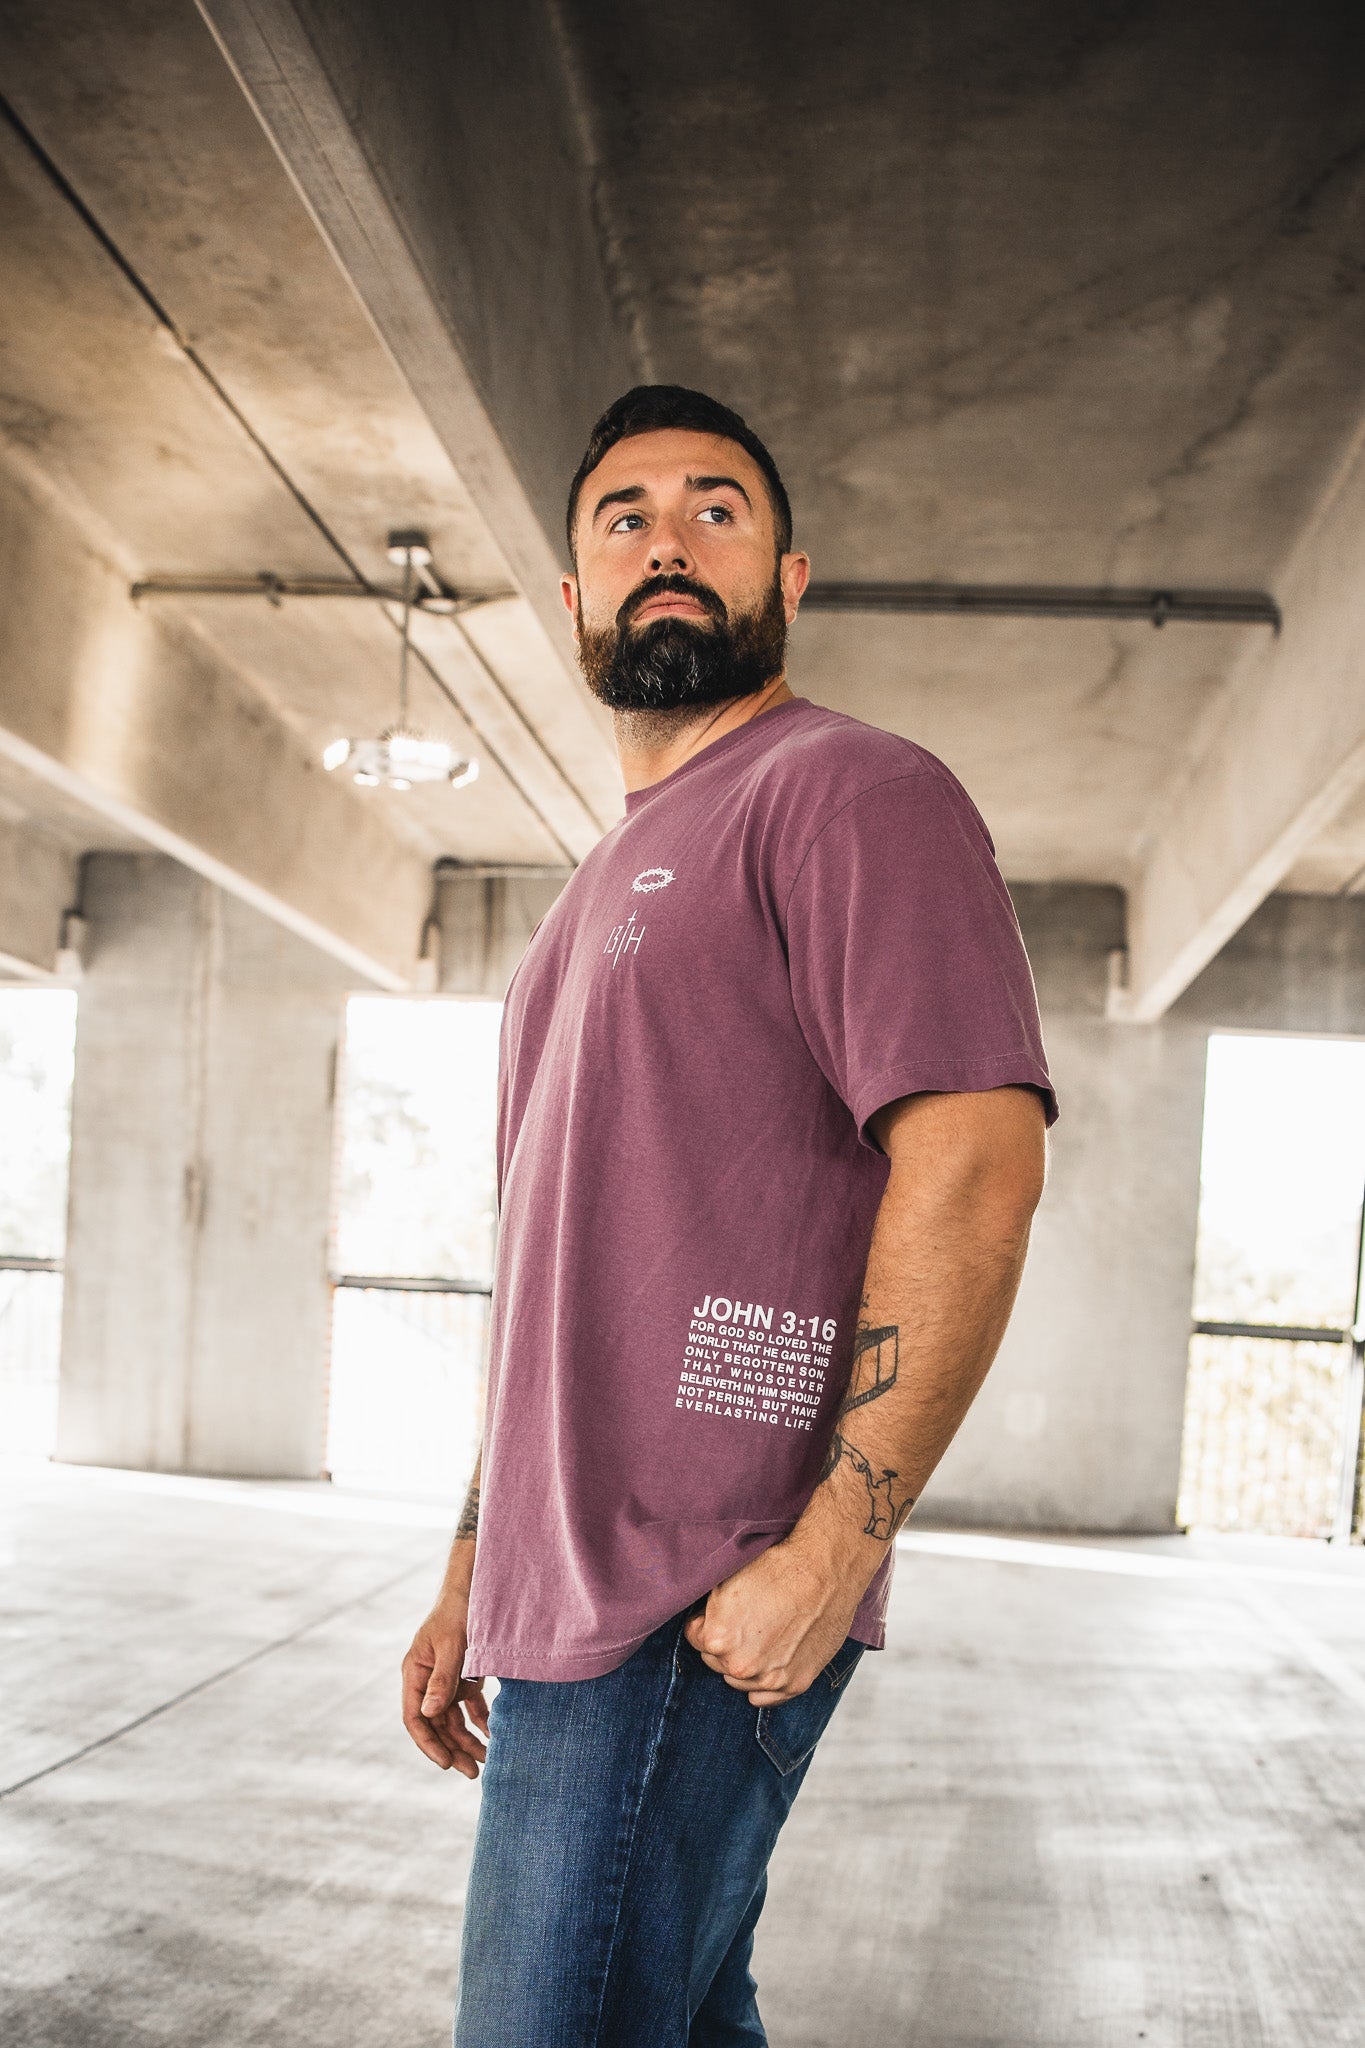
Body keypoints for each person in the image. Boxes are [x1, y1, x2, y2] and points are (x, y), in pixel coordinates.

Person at [401, 385, 1055, 2046]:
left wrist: (839, 1540)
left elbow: (972, 1159)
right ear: (571, 598)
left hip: (700, 1588)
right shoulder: (590, 895)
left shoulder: (849, 792)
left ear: (790, 571)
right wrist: (477, 1558)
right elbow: (558, 1271)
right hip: (576, 1590)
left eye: (715, 507)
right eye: (622, 518)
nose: (666, 540)